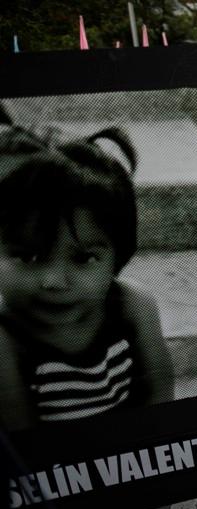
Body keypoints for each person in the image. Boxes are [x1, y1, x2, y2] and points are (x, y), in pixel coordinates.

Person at [0, 125, 174, 431]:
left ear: (117, 260)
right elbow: (24, 444)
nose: (53, 281)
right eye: (29, 257)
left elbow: (160, 401)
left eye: (83, 258)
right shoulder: (6, 338)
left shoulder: (133, 307)